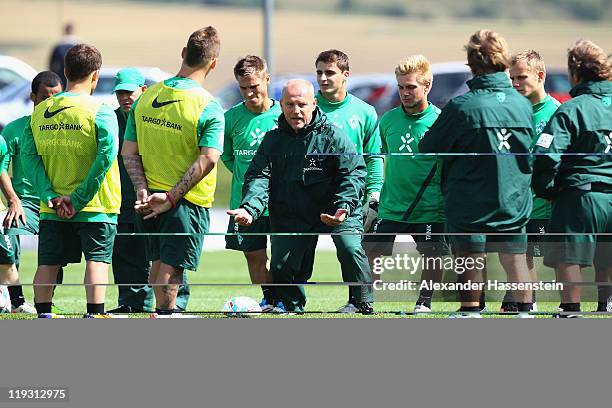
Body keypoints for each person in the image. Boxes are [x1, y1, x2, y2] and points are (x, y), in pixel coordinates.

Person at [229, 79, 372, 314]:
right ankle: (292, 306)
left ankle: (361, 302)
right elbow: (258, 177)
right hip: (293, 212)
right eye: (290, 105)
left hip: (336, 209)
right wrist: (250, 209)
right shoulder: (272, 140)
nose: (296, 111)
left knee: (349, 247)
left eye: (302, 104)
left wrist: (344, 206)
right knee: (280, 265)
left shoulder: (334, 137)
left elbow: (354, 173)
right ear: (282, 106)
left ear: (314, 104)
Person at [419, 29, 534, 318]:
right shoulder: (523, 105)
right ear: (503, 62)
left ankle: (470, 310)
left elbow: (428, 145)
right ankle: (525, 311)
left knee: (469, 256)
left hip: (469, 200)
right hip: (514, 198)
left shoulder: (462, 106)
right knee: (515, 258)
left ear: (472, 63)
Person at [122, 27, 224, 318]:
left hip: (147, 199)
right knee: (171, 266)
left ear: (183, 54)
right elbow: (208, 160)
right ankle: (166, 317)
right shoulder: (209, 106)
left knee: (158, 262)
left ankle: (160, 314)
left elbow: (129, 152)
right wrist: (170, 197)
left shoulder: (146, 97)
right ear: (213, 63)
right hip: (184, 203)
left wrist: (142, 189)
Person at [22, 44, 121, 318]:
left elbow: (30, 160)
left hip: (52, 207)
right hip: (96, 205)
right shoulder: (101, 110)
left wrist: (49, 195)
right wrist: (77, 199)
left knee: (48, 263)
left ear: (65, 71)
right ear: (96, 74)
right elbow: (105, 158)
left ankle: (43, 315)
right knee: (97, 262)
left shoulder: (40, 112)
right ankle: (94, 314)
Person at [362, 55, 448, 314]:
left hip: (429, 208)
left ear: (427, 86)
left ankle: (424, 301)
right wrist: (374, 193)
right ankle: (367, 300)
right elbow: (381, 156)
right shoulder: (387, 121)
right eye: (401, 87)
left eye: (411, 87)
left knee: (432, 256)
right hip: (392, 205)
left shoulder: (441, 122)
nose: (405, 93)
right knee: (371, 252)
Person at [532, 40, 611, 317]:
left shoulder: (572, 108)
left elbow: (545, 155)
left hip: (580, 196)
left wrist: (547, 188)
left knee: (568, 256)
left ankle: (570, 310)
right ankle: (606, 308)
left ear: (575, 72)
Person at [315, 49, 381, 313]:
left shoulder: (364, 112)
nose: (322, 78)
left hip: (349, 197)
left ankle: (362, 301)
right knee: (291, 252)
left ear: (345, 75)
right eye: (319, 72)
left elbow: (374, 157)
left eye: (329, 73)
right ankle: (286, 302)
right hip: (310, 194)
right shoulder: (307, 107)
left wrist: (374, 193)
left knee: (349, 245)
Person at [503, 50, 562, 313]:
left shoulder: (558, 113)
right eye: (512, 78)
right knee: (519, 256)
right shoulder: (510, 113)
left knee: (561, 261)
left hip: (549, 204)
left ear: (540, 76)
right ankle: (528, 303)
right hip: (517, 206)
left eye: (521, 77)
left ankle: (569, 309)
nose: (515, 84)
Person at [0, 71, 63, 313]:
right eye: (46, 97)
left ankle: (45, 302)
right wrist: (13, 200)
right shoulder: (15, 129)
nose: (51, 103)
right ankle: (15, 300)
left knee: (59, 249)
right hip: (25, 202)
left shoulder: (67, 129)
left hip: (57, 202)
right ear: (33, 97)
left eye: (56, 97)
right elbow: (1, 165)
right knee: (6, 229)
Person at [221, 56, 281, 312]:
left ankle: (286, 300)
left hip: (281, 203)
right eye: (243, 88)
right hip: (244, 205)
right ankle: (270, 299)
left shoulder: (284, 113)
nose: (249, 93)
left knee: (283, 258)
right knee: (254, 257)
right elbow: (227, 157)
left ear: (267, 79)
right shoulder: (231, 117)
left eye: (254, 86)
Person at [49, 22, 79, 88]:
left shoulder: (59, 45)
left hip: (61, 75)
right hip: (76, 75)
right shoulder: (79, 45)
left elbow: (52, 64)